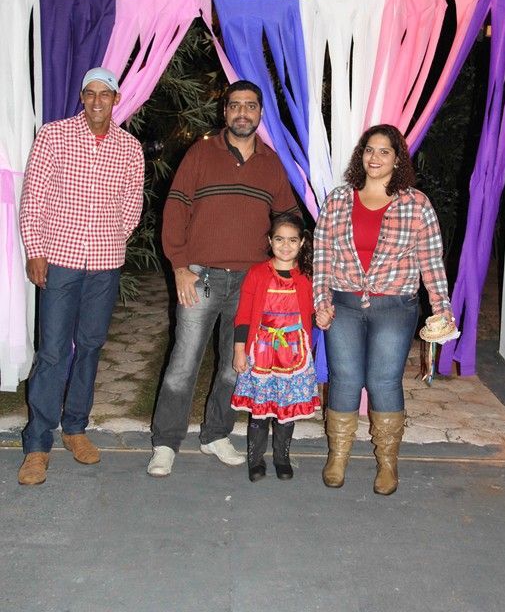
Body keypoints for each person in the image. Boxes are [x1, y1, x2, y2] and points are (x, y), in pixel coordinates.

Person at [147, 80, 300, 478]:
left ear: (260, 113)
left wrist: (284, 261)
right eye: (235, 105)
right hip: (201, 276)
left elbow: (288, 217)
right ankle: (166, 442)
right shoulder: (200, 153)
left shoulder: (271, 163)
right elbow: (175, 208)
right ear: (225, 111)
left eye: (250, 106)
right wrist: (179, 266)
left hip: (251, 282)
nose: (242, 112)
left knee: (236, 364)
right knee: (184, 362)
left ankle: (216, 434)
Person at [17, 67, 145, 486]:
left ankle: (75, 427)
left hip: (104, 263)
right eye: (89, 93)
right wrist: (36, 250)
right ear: (81, 97)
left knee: (90, 346)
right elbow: (34, 196)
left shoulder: (129, 147)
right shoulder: (54, 136)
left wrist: (112, 237)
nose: (96, 101)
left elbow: (132, 204)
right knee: (53, 352)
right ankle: (37, 444)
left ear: (116, 99)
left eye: (104, 94)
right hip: (60, 259)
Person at [313, 123, 457, 495]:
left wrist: (441, 307)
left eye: (384, 151)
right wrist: (321, 302)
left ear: (397, 159)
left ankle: (388, 463)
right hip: (344, 304)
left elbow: (431, 261)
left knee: (383, 381)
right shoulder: (338, 200)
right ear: (360, 155)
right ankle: (338, 456)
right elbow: (322, 256)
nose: (374, 157)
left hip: (395, 307)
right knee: (344, 379)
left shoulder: (416, 204)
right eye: (369, 149)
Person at [231, 212, 321, 482]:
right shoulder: (257, 273)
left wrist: (324, 315)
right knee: (260, 410)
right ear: (270, 241)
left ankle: (282, 458)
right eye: (279, 239)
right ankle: (255, 460)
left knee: (286, 409)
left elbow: (314, 310)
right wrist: (239, 350)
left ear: (302, 242)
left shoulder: (307, 275)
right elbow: (244, 315)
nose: (285, 245)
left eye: (292, 240)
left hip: (294, 353)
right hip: (261, 352)